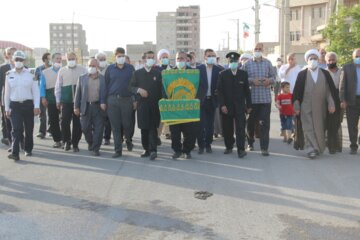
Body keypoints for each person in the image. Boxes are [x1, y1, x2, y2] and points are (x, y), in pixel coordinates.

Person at [292, 49, 340, 159]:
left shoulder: (325, 73)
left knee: (319, 127)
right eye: (310, 58)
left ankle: (318, 147)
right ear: (307, 60)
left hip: (321, 106)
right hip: (306, 105)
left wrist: (331, 104)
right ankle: (311, 149)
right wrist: (296, 106)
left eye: (315, 58)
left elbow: (329, 92)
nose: (313, 60)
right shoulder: (302, 74)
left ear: (318, 60)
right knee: (308, 127)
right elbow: (297, 92)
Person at [4, 50, 40, 161]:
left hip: (28, 105)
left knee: (29, 129)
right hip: (15, 106)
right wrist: (6, 108)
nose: (18, 61)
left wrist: (36, 106)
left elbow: (36, 91)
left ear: (24, 61)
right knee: (16, 129)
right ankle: (15, 152)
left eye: (20, 59)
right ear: (13, 61)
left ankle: (28, 149)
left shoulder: (31, 74)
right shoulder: (9, 74)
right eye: (16, 59)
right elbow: (7, 93)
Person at [242, 42, 275, 156]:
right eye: (255, 49)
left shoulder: (268, 63)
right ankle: (250, 143)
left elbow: (274, 77)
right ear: (252, 50)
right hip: (252, 100)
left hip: (265, 99)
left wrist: (269, 81)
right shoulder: (247, 64)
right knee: (250, 123)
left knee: (264, 124)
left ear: (263, 50)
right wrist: (252, 81)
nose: (257, 50)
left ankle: (264, 148)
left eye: (259, 49)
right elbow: (242, 79)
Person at [129, 50, 163, 160]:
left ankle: (153, 150)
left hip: (154, 105)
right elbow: (130, 87)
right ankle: (146, 149)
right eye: (148, 57)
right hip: (142, 105)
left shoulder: (158, 73)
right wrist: (139, 90)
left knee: (153, 128)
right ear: (144, 59)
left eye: (152, 57)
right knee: (144, 128)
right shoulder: (137, 73)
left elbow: (162, 89)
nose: (150, 59)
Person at [169, 51, 204, 159]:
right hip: (175, 108)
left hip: (189, 108)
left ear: (187, 60)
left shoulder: (194, 73)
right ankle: (177, 150)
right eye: (178, 59)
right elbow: (165, 88)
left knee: (190, 132)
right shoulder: (169, 73)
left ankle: (187, 150)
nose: (180, 61)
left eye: (182, 59)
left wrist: (197, 100)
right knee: (175, 132)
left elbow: (201, 88)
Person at [217, 52, 251, 158]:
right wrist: (222, 105)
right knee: (227, 128)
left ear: (238, 62)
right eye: (231, 61)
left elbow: (247, 91)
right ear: (228, 62)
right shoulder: (223, 74)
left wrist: (249, 105)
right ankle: (229, 146)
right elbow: (220, 91)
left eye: (235, 61)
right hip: (227, 107)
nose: (233, 63)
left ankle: (241, 149)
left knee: (240, 128)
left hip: (240, 107)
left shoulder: (243, 74)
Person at [104, 47, 135, 158]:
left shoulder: (130, 68)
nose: (121, 58)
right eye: (118, 56)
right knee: (115, 126)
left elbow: (134, 85)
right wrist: (104, 101)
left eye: (122, 56)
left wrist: (134, 99)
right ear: (115, 56)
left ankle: (128, 140)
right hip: (112, 100)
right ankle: (118, 150)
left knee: (127, 124)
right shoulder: (110, 69)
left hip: (127, 100)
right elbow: (105, 85)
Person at [55, 52, 87, 152]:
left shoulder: (82, 69)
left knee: (77, 123)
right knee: (64, 122)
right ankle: (66, 141)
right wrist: (58, 100)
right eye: (69, 59)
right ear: (66, 60)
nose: (71, 60)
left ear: (76, 59)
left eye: (73, 58)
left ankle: (75, 143)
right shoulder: (62, 70)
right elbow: (58, 86)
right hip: (66, 101)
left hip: (78, 101)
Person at [74, 58, 106, 156]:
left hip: (98, 107)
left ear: (97, 67)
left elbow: (105, 92)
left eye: (94, 66)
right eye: (90, 66)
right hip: (86, 106)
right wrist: (76, 107)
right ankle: (91, 143)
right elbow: (77, 93)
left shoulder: (102, 78)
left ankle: (96, 148)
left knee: (99, 129)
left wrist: (103, 102)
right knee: (85, 127)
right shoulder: (82, 78)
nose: (92, 67)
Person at [197, 49, 222, 154]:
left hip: (212, 100)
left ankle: (208, 144)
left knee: (210, 125)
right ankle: (201, 145)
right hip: (200, 101)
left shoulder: (218, 70)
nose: (211, 57)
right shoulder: (198, 69)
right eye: (209, 55)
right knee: (200, 124)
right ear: (205, 57)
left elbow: (221, 86)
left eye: (213, 55)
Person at [339, 48, 360, 155]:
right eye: (356, 56)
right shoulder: (347, 68)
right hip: (352, 100)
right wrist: (343, 99)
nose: (358, 58)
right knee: (352, 124)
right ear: (353, 57)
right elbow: (342, 85)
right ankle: (353, 146)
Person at [40, 53, 63, 148]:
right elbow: (42, 86)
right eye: (57, 58)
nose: (59, 60)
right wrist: (43, 97)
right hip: (51, 98)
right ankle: (57, 140)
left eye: (60, 59)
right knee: (53, 120)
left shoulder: (65, 70)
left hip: (63, 98)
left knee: (64, 121)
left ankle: (66, 139)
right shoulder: (45, 72)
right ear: (52, 60)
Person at [325, 52, 343, 153]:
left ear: (336, 60)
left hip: (339, 98)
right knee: (330, 122)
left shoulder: (341, 71)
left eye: (333, 60)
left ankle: (337, 145)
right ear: (326, 61)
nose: (331, 62)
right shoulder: (324, 72)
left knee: (337, 122)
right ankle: (331, 146)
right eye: (329, 60)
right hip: (328, 98)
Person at [0, 47, 17, 146]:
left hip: (18, 97)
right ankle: (7, 137)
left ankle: (18, 138)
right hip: (5, 97)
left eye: (14, 53)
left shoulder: (23, 68)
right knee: (6, 118)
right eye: (10, 53)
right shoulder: (2, 68)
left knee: (18, 119)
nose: (12, 55)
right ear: (7, 55)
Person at [96, 52, 111, 146]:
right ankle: (97, 137)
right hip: (95, 98)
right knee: (97, 119)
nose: (102, 61)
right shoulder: (92, 69)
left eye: (104, 59)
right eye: (100, 59)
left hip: (107, 97)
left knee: (107, 119)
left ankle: (107, 138)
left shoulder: (110, 68)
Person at [156, 49, 172, 142]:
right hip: (159, 97)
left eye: (166, 57)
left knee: (170, 116)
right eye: (163, 57)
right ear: (159, 59)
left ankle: (169, 133)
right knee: (159, 118)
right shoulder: (156, 70)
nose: (165, 59)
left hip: (170, 97)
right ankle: (157, 136)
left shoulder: (173, 70)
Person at [35, 52, 51, 139]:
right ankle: (42, 132)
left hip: (51, 93)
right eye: (49, 58)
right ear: (45, 59)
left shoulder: (54, 69)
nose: (50, 60)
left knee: (52, 113)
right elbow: (35, 81)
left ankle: (51, 130)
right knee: (42, 114)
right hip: (41, 94)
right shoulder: (39, 69)